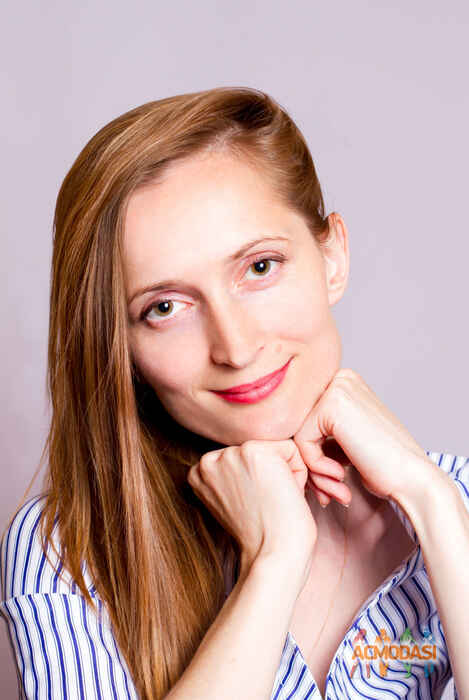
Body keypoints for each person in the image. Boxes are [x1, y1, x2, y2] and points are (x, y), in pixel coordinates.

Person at [1, 86, 468, 700]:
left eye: (260, 267)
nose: (237, 347)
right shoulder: (72, 550)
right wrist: (274, 560)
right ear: (122, 349)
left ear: (332, 257)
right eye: (165, 307)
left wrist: (434, 505)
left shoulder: (452, 499)